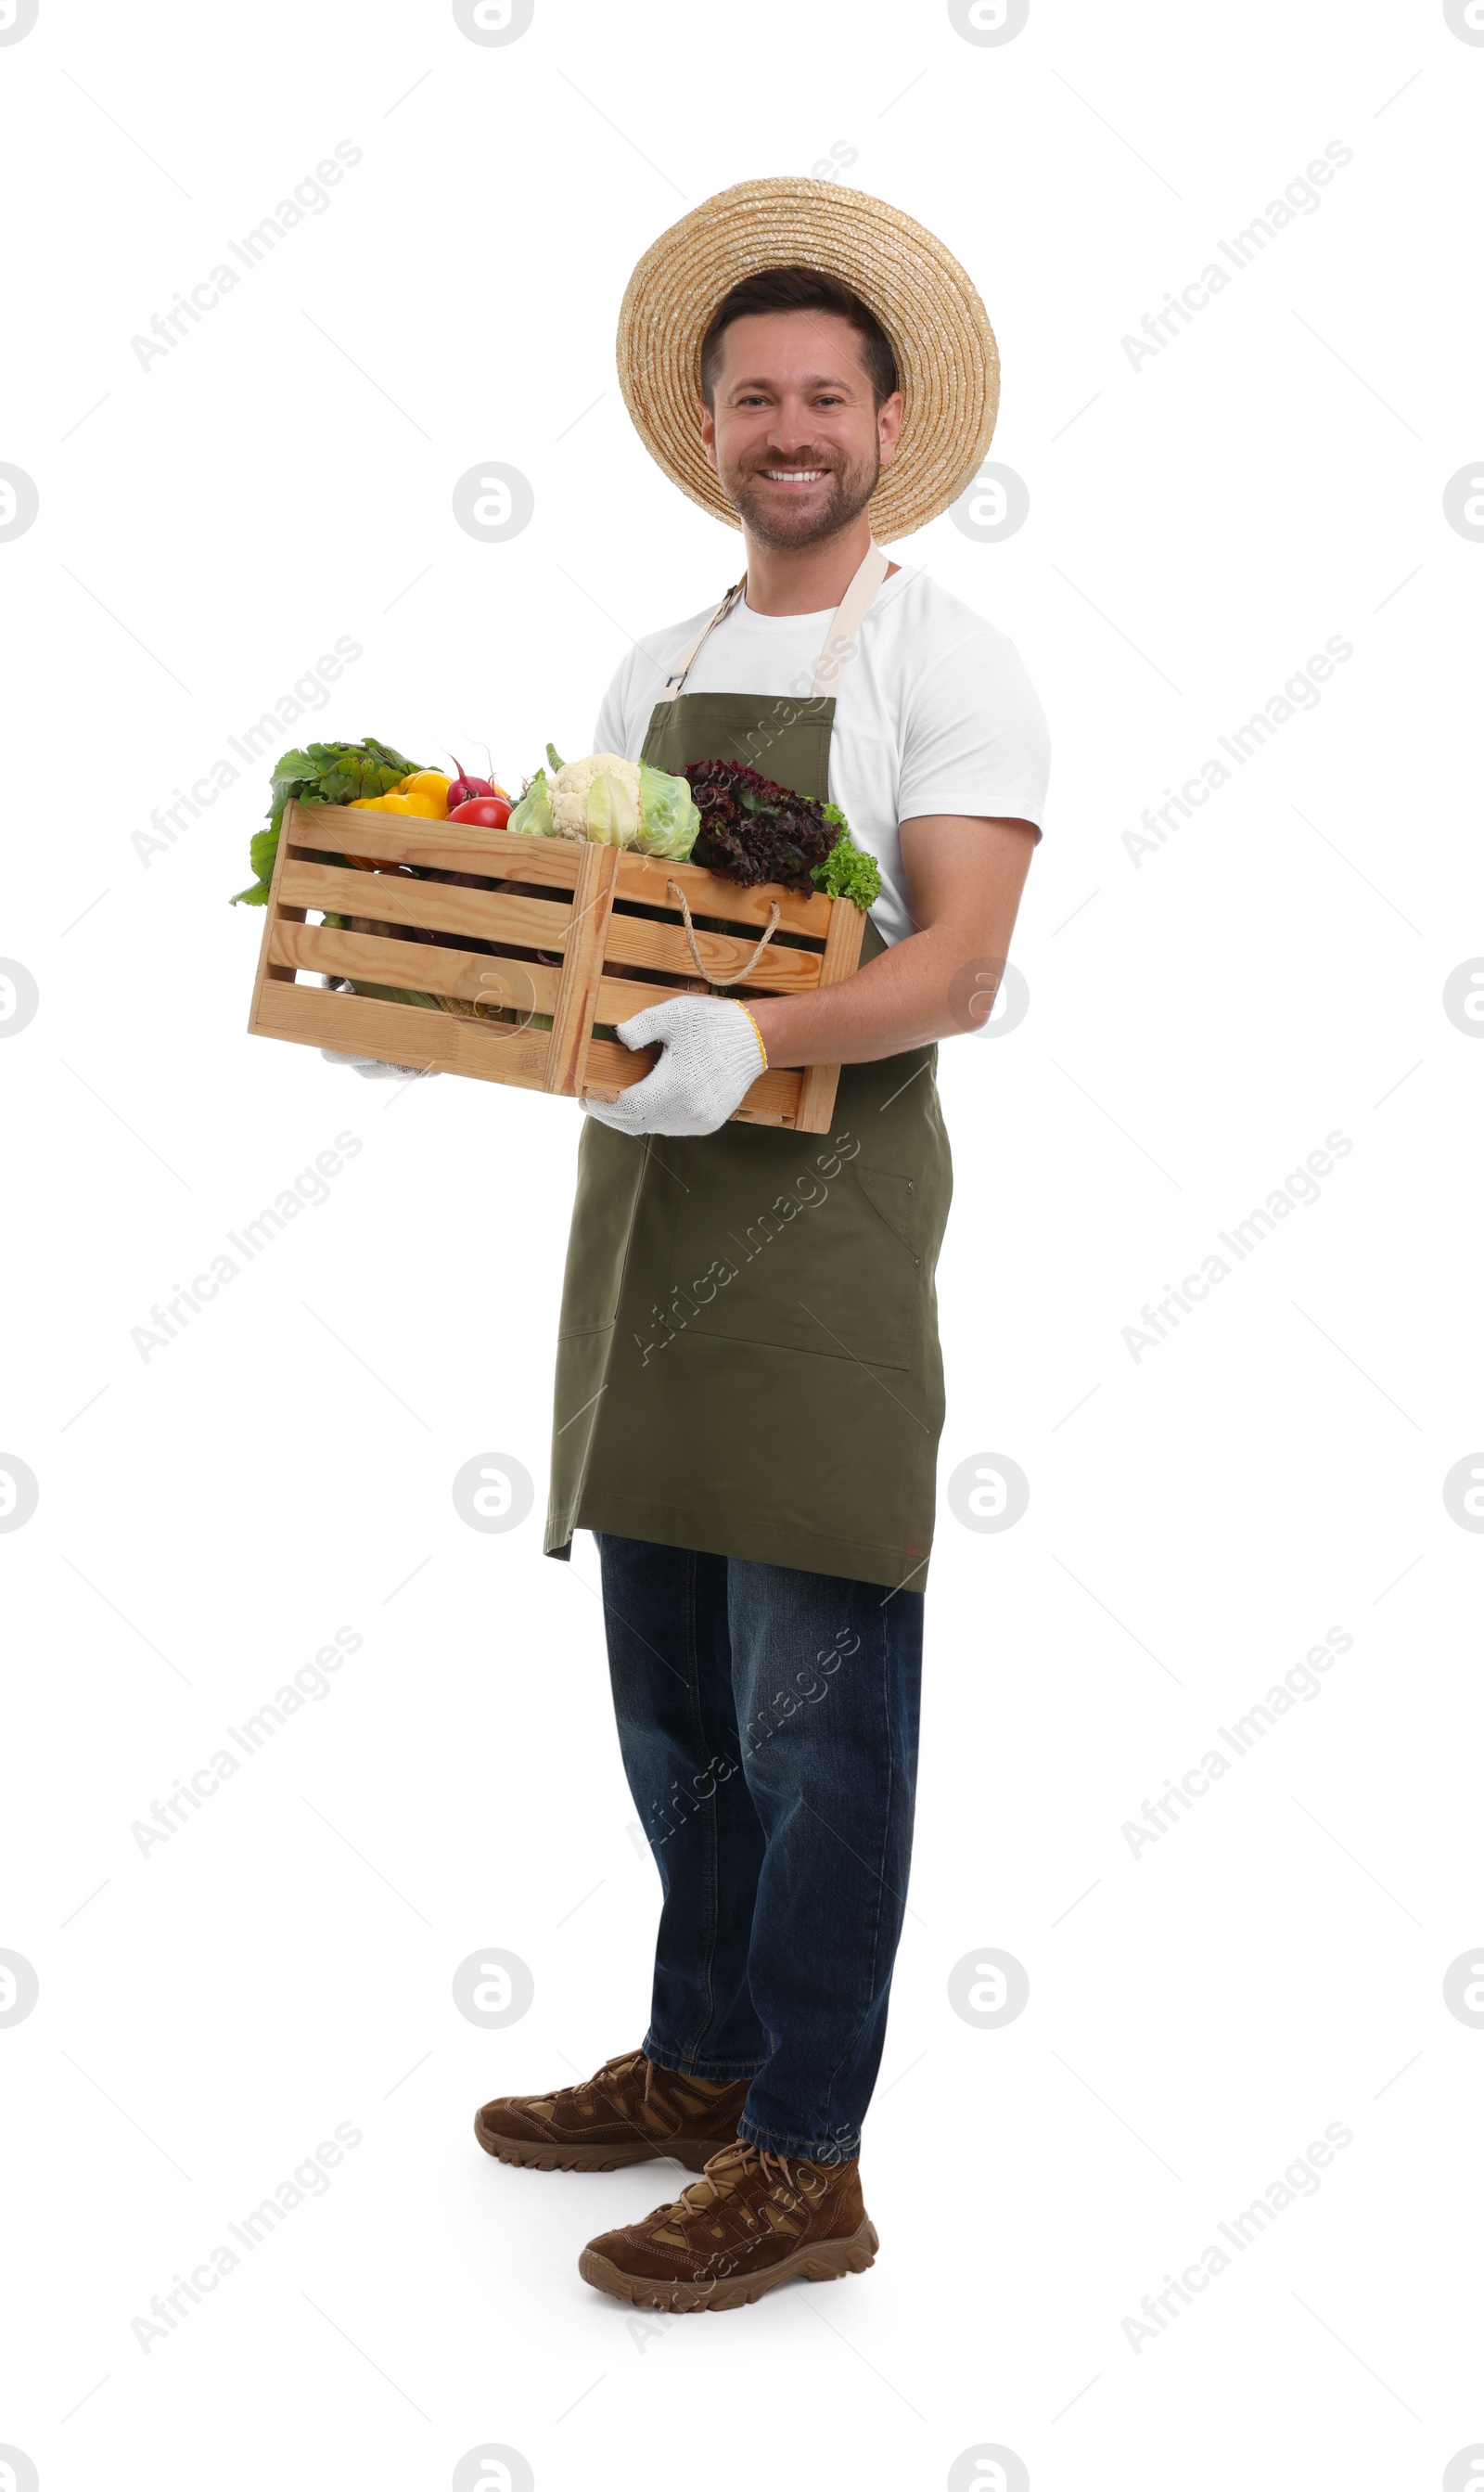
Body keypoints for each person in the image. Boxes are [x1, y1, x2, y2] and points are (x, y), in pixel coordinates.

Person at [344, 177, 1050, 2311]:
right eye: (753, 394)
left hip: (824, 1255)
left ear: (887, 417)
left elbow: (957, 965)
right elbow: (594, 958)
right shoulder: (653, 663)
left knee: (821, 1721)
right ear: (712, 428)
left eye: (823, 392)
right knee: (673, 1708)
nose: (787, 425)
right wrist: (438, 995)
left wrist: (753, 1029)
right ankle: (700, 2056)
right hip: (644, 1232)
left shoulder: (948, 655)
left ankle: (804, 2153)